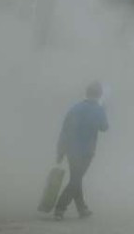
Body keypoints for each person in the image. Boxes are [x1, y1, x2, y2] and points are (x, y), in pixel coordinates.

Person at [54, 81, 109, 220]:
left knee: (76, 178)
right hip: (86, 152)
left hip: (71, 150)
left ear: (87, 92)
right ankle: (60, 208)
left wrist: (60, 150)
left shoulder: (75, 108)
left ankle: (82, 209)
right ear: (100, 94)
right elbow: (104, 127)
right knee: (76, 179)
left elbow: (65, 130)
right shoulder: (98, 110)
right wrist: (104, 111)